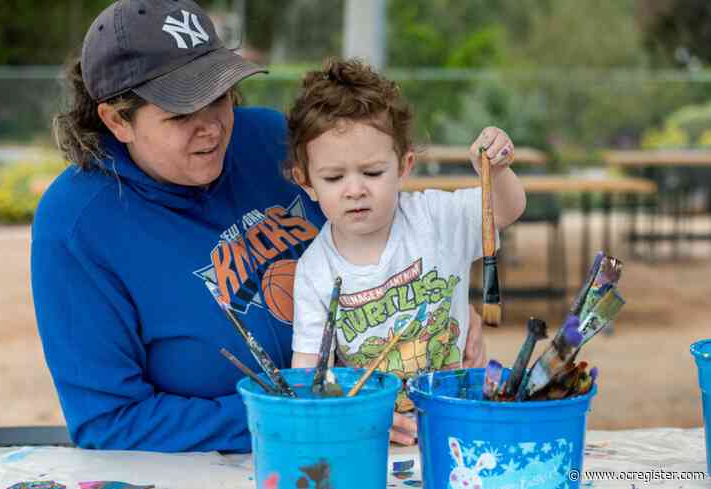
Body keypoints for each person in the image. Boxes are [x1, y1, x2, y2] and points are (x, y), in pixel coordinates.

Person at [31, 0, 328, 452]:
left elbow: (378, 242)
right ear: (117, 120)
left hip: (359, 422)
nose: (211, 128)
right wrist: (293, 417)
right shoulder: (76, 223)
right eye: (181, 114)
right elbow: (110, 421)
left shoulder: (272, 141)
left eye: (220, 97)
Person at [288, 59, 526, 444]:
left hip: (459, 417)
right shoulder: (313, 270)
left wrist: (496, 173)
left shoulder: (435, 219)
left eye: (372, 172)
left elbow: (506, 210)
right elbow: (309, 374)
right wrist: (348, 420)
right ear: (306, 182)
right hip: (375, 437)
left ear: (404, 166)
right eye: (334, 177)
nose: (355, 189)